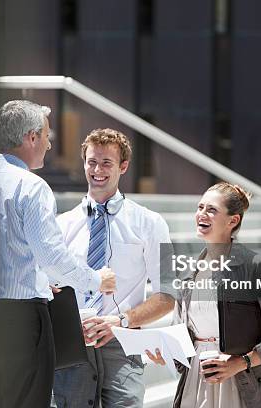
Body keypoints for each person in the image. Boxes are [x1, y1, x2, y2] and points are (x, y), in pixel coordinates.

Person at [0, 100, 116, 408]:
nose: (49, 142)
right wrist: (96, 280)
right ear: (31, 137)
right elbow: (53, 258)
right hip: (23, 323)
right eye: (46, 134)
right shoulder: (32, 187)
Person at [146, 182, 261, 408]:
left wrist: (242, 362)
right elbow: (182, 336)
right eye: (200, 207)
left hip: (241, 383)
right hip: (196, 381)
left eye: (212, 209)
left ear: (233, 221)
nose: (202, 214)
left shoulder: (254, 267)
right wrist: (169, 354)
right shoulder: (190, 271)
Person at [53, 128, 175, 407]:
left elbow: (168, 296)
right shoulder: (60, 225)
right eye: (91, 161)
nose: (98, 170)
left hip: (122, 346)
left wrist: (119, 321)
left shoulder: (152, 223)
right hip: (71, 348)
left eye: (107, 163)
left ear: (123, 166)